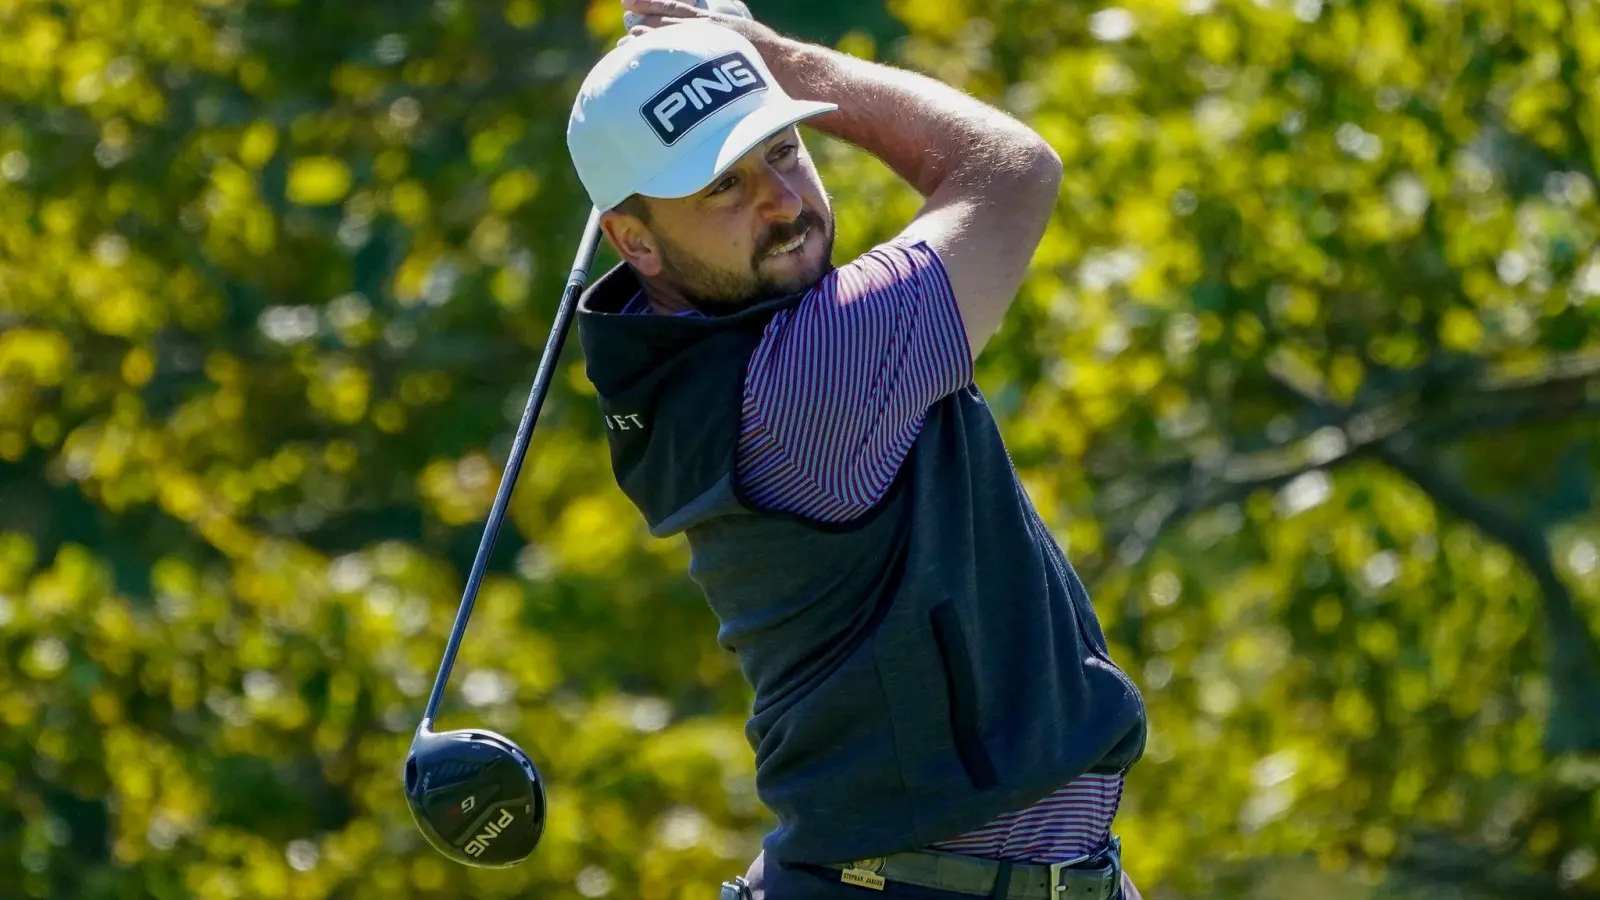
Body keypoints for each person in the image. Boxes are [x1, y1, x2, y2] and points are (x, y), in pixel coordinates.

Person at [566, 2, 1147, 897]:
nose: (784, 202)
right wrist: (782, 59)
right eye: (723, 184)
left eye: (786, 151)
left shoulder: (679, 359)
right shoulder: (815, 378)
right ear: (633, 238)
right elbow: (1012, 170)